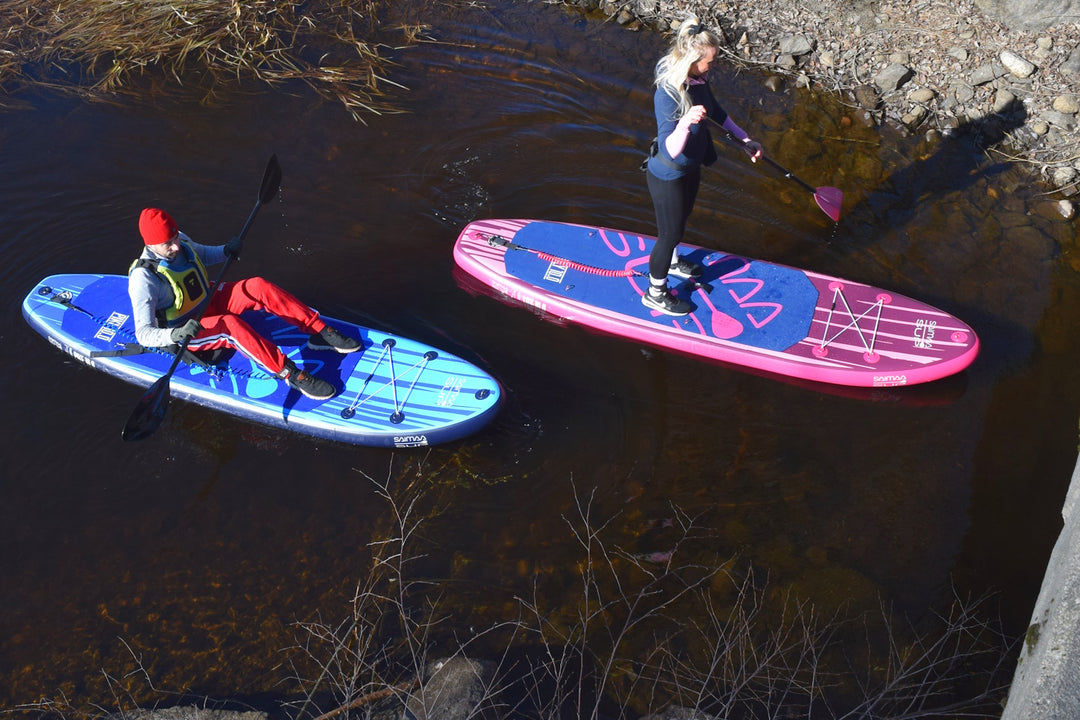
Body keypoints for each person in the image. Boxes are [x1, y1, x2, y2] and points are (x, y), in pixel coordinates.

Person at [128, 207, 361, 401]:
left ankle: (318, 331)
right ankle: (290, 374)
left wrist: (226, 251)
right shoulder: (144, 279)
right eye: (168, 244)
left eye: (176, 237)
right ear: (151, 244)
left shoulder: (179, 239)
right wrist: (177, 334)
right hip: (191, 329)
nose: (176, 246)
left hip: (210, 299)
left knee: (257, 286)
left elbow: (203, 256)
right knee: (230, 325)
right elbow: (144, 333)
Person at [643, 16, 764, 316]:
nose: (713, 66)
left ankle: (673, 262)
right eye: (710, 61)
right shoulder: (668, 93)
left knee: (681, 222)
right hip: (667, 174)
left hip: (691, 167)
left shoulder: (699, 81)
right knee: (668, 235)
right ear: (693, 59)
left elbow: (719, 115)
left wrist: (744, 140)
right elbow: (670, 148)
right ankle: (655, 292)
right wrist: (684, 123)